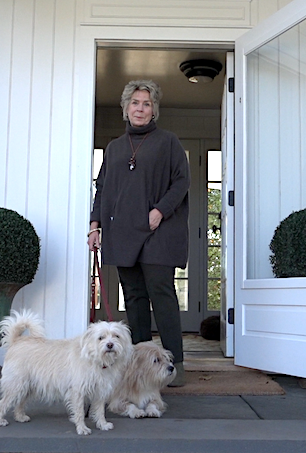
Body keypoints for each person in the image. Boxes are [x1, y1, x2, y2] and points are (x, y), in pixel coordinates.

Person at [88, 80, 190, 387]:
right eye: (135, 103)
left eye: (146, 104)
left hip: (158, 229)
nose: (140, 109)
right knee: (133, 298)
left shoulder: (168, 141)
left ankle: (175, 364)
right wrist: (94, 225)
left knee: (162, 294)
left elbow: (181, 181)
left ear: (154, 109)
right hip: (122, 230)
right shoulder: (115, 147)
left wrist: (160, 211)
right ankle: (144, 365)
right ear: (126, 108)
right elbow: (102, 189)